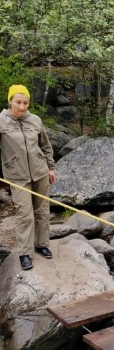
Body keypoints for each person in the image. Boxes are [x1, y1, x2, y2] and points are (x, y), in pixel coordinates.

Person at [0, 85, 56, 270]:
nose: (22, 107)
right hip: (17, 176)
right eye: (18, 102)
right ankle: (25, 252)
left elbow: (46, 146)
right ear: (10, 101)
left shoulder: (35, 120)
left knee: (42, 211)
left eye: (25, 103)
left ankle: (42, 244)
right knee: (25, 215)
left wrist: (50, 167)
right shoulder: (1, 121)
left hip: (40, 172)